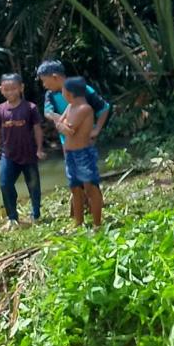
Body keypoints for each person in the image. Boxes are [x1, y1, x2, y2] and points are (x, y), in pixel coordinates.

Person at [0, 74, 45, 229]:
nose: (10, 92)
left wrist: (39, 149)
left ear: (21, 88)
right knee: (5, 184)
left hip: (29, 154)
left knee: (33, 185)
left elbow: (37, 129)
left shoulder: (30, 108)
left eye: (13, 89)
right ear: (1, 90)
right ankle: (12, 218)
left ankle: (36, 215)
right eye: (6, 89)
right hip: (8, 155)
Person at [57, 77, 102, 228]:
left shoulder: (84, 108)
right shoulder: (70, 107)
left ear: (68, 92)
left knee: (90, 188)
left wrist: (63, 125)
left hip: (83, 153)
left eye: (63, 90)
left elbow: (69, 129)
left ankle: (97, 224)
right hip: (70, 154)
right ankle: (78, 222)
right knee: (75, 188)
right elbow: (60, 124)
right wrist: (63, 125)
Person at [37, 60, 110, 145]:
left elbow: (104, 108)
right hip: (66, 141)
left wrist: (97, 129)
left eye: (44, 80)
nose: (44, 85)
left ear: (55, 77)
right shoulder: (50, 94)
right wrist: (63, 123)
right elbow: (48, 112)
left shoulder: (82, 89)